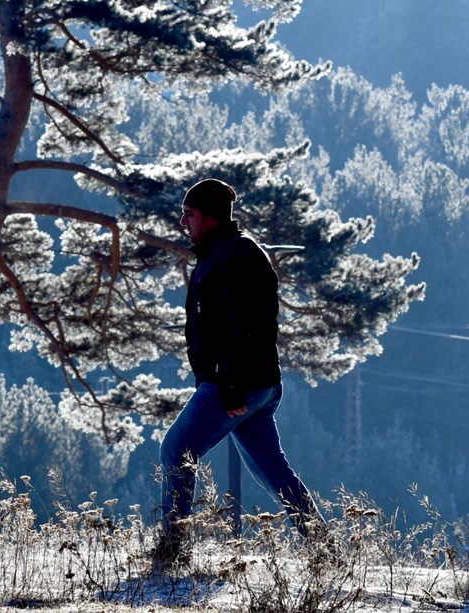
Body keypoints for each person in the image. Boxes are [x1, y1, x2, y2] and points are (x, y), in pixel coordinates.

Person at [152, 178, 324, 570]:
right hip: (255, 383)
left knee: (176, 451)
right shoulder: (224, 253)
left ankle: (171, 554)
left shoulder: (235, 256)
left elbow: (248, 327)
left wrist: (228, 385)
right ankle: (323, 550)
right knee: (274, 470)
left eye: (190, 214)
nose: (183, 221)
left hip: (237, 383)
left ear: (211, 217)